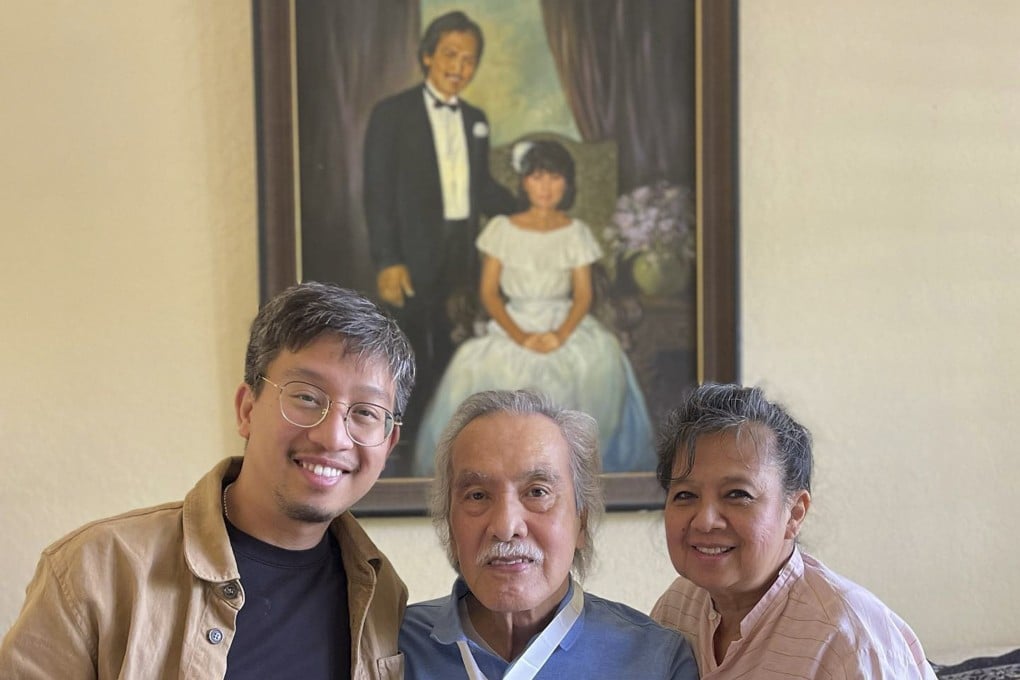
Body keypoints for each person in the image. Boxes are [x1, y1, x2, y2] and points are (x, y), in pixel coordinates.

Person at [0, 282, 415, 679]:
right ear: (247, 409)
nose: (332, 436)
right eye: (306, 397)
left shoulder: (382, 596)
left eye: (365, 412)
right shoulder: (99, 569)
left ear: (389, 442)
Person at [400, 389, 698, 679]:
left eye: (537, 492)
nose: (506, 527)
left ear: (582, 521)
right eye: (477, 496)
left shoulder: (656, 661)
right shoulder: (392, 647)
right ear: (450, 526)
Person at [651, 383, 938, 679]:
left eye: (737, 494)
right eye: (685, 495)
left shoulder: (847, 640)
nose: (705, 521)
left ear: (795, 512)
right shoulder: (678, 607)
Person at [413, 140, 654, 475]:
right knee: (481, 366)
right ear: (524, 182)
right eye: (537, 177)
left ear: (567, 184)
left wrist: (559, 335)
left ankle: (573, 468)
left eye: (554, 178)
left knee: (600, 359)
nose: (545, 187)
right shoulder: (502, 229)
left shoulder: (575, 232)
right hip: (514, 320)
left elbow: (583, 296)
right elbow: (490, 294)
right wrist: (522, 336)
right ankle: (496, 466)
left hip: (564, 320)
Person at [363, 10, 516, 432]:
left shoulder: (475, 120)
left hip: (461, 249)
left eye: (469, 60)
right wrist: (387, 260)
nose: (459, 67)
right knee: (410, 347)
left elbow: (482, 186)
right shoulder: (392, 114)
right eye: (450, 54)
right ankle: (406, 439)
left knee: (455, 343)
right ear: (428, 56)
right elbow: (377, 194)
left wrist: (526, 210)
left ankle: (447, 437)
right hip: (412, 252)